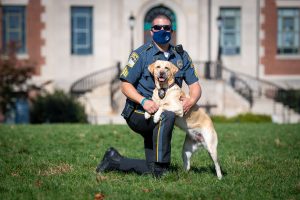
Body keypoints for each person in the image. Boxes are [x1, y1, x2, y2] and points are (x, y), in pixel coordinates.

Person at [96, 14, 201, 178]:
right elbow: (125, 85)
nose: (162, 30)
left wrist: (191, 100)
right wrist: (144, 101)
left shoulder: (181, 56)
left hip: (158, 114)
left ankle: (114, 160)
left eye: (166, 28)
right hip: (139, 112)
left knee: (152, 169)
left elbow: (195, 86)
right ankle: (162, 166)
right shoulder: (141, 54)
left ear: (172, 31)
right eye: (157, 27)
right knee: (167, 114)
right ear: (151, 31)